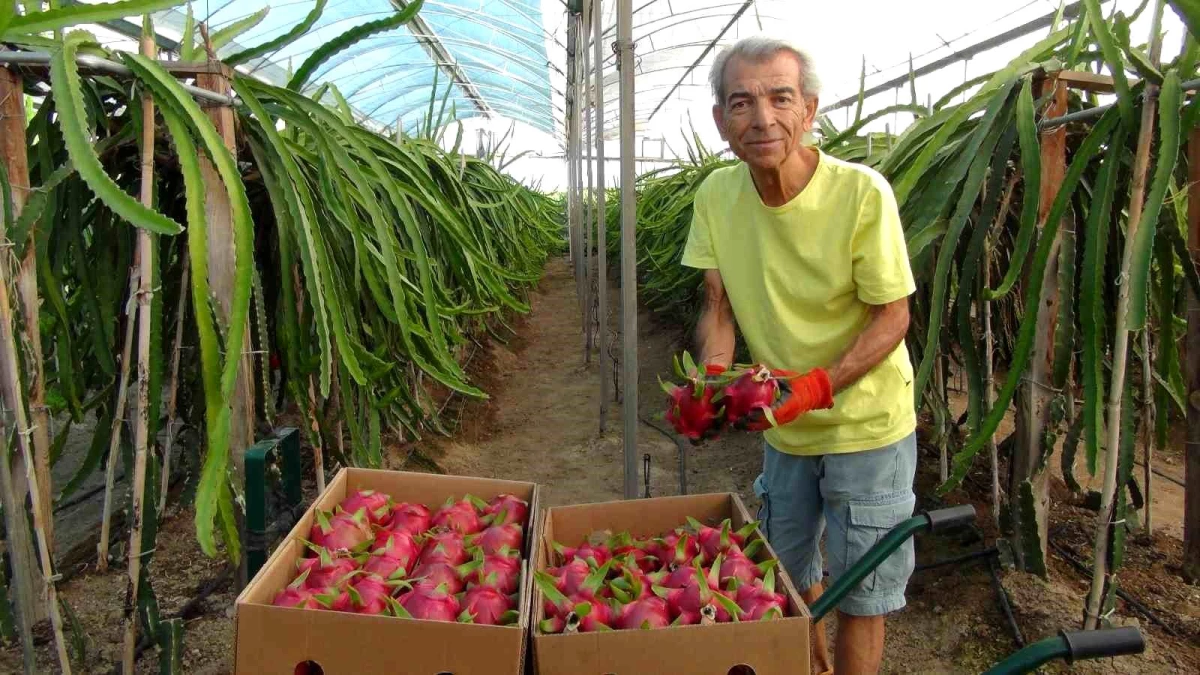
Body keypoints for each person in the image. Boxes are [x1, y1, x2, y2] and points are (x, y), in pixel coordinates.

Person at [676, 36, 917, 675]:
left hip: (867, 425)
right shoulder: (716, 198)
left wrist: (817, 386)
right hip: (783, 429)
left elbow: (894, 315)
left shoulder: (862, 194)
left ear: (809, 110)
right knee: (785, 571)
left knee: (863, 590)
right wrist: (712, 385)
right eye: (741, 102)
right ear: (719, 120)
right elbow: (718, 308)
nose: (762, 119)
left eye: (780, 98)